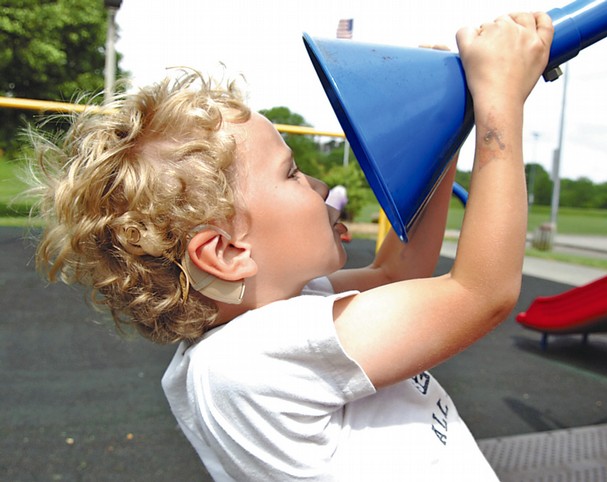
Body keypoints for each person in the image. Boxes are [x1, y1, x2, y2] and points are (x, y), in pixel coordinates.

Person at [28, 10, 553, 481]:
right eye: (293, 172)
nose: (319, 185)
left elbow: (399, 272)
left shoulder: (279, 319)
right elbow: (483, 293)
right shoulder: (248, 361)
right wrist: (498, 103)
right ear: (228, 252)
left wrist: (448, 126)